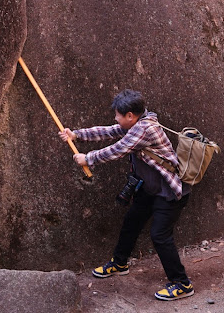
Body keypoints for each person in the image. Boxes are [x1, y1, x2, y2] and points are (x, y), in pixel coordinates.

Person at [58, 89, 194, 301]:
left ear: (130, 115)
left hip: (168, 191)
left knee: (160, 235)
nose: (115, 117)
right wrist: (77, 135)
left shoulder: (144, 129)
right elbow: (110, 131)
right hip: (149, 189)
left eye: (118, 114)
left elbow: (117, 149)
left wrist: (88, 158)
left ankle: (182, 284)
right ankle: (120, 263)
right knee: (131, 222)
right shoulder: (136, 123)